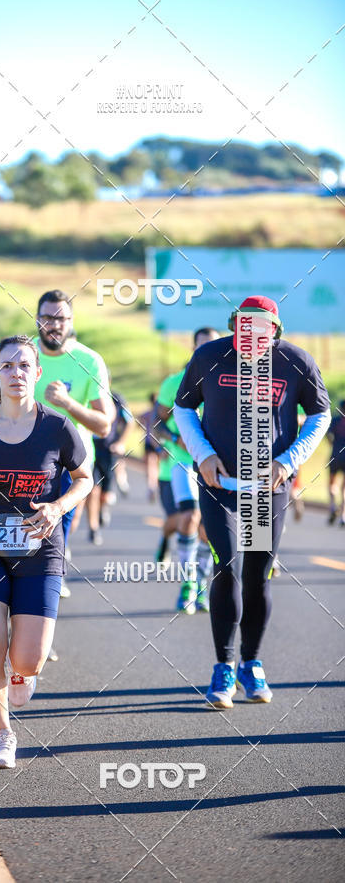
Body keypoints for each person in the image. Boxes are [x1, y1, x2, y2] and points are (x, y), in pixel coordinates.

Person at [174, 296, 331, 708]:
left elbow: (320, 415)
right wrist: (202, 453)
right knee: (228, 564)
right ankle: (224, 667)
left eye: (261, 326)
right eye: (244, 324)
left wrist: (288, 461)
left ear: (275, 329)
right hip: (220, 484)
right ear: (234, 325)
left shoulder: (295, 361)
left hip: (266, 491)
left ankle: (252, 663)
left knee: (257, 573)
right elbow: (183, 407)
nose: (251, 332)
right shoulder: (209, 355)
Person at [0, 335, 92, 769]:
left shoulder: (57, 427)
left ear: (37, 372)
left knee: (28, 658)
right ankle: (2, 734)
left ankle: (22, 671)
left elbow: (84, 477)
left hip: (40, 550)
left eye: (24, 365)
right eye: (7, 366)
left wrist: (58, 506)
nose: (16, 373)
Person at [32, 290, 114, 607]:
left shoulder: (89, 361)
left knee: (49, 549)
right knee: (22, 549)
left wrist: (67, 404)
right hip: (22, 464)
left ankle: (39, 631)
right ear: (38, 318)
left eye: (61, 318)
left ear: (71, 321)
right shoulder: (23, 355)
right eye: (47, 317)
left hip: (70, 469)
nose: (54, 324)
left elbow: (104, 424)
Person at [155, 328, 220, 614]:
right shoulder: (174, 382)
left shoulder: (227, 379)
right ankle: (188, 586)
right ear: (193, 349)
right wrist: (174, 439)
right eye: (202, 347)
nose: (207, 352)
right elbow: (155, 423)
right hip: (183, 462)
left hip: (218, 464)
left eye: (212, 346)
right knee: (190, 516)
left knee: (209, 529)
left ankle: (203, 586)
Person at [91, 378, 134, 538]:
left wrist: (120, 442)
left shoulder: (117, 398)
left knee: (105, 494)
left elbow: (130, 422)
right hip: (90, 449)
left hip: (108, 450)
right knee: (92, 488)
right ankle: (93, 528)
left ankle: (103, 508)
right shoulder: (87, 396)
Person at [327, 399, 345, 526]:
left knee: (332, 484)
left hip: (335, 455)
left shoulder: (335, 421)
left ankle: (333, 506)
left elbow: (328, 435)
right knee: (344, 488)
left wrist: (333, 444)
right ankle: (343, 515)